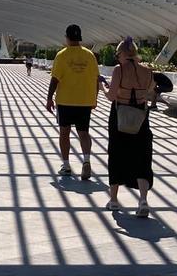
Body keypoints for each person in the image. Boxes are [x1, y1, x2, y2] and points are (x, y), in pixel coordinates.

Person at [100, 37, 156, 218]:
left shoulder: (119, 70)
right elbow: (149, 92)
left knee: (117, 154)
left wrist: (102, 87)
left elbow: (111, 96)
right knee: (142, 157)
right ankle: (143, 200)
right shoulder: (147, 71)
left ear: (122, 54)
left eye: (118, 55)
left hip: (120, 116)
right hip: (140, 117)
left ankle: (114, 200)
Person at [46, 24, 99, 180]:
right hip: (84, 101)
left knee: (64, 133)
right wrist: (94, 98)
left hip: (65, 101)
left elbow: (55, 79)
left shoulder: (62, 55)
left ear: (67, 37)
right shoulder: (90, 55)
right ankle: (87, 161)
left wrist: (49, 98)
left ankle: (66, 165)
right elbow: (96, 79)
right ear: (80, 38)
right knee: (83, 133)